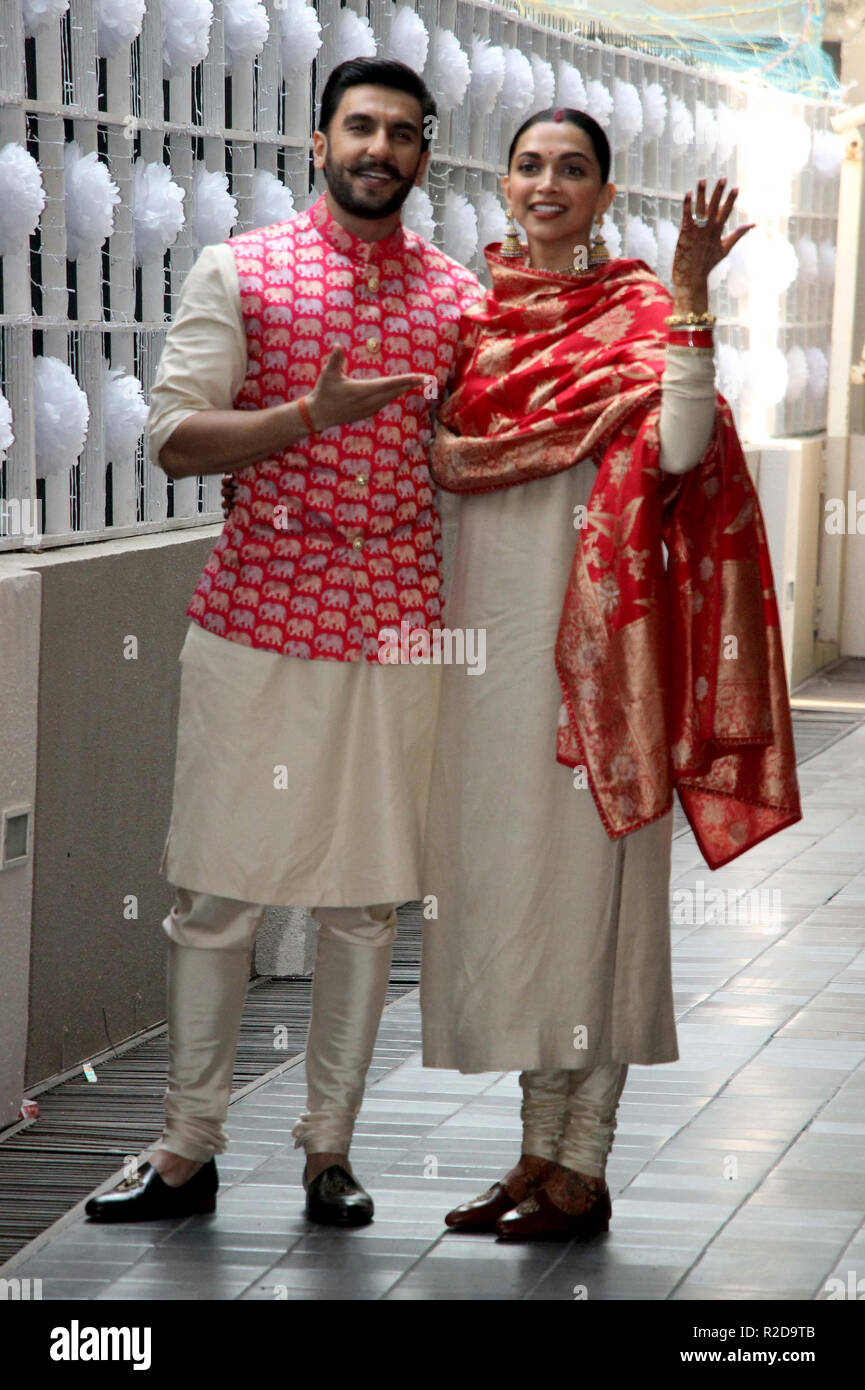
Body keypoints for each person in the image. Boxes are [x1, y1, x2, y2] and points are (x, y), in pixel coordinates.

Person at [84, 58, 482, 1229]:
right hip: (258, 616)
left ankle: (328, 1153)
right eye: (359, 126)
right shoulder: (243, 269)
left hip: (398, 629)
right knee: (217, 898)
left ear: (423, 155)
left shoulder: (460, 301)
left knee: (364, 907)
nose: (380, 148)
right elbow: (171, 440)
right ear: (319, 144)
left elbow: (471, 460)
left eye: (403, 133)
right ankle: (184, 1149)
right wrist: (306, 417)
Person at [418, 108, 802, 1240]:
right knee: (514, 901)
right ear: (502, 182)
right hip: (484, 662)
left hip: (608, 657)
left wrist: (690, 296)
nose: (548, 184)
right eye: (531, 165)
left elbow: (683, 450)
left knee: (599, 902)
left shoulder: (638, 309)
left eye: (572, 169)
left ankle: (585, 1161)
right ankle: (536, 1153)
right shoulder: (469, 319)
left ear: (601, 191)